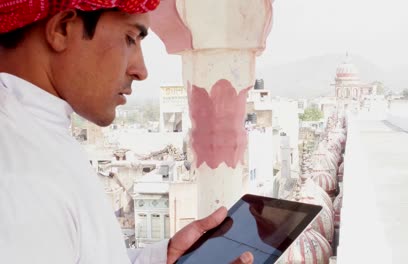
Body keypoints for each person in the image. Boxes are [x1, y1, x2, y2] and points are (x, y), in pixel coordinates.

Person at [0, 1, 253, 263]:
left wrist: (160, 258)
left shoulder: (35, 135)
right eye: (130, 38)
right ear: (62, 29)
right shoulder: (20, 176)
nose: (141, 71)